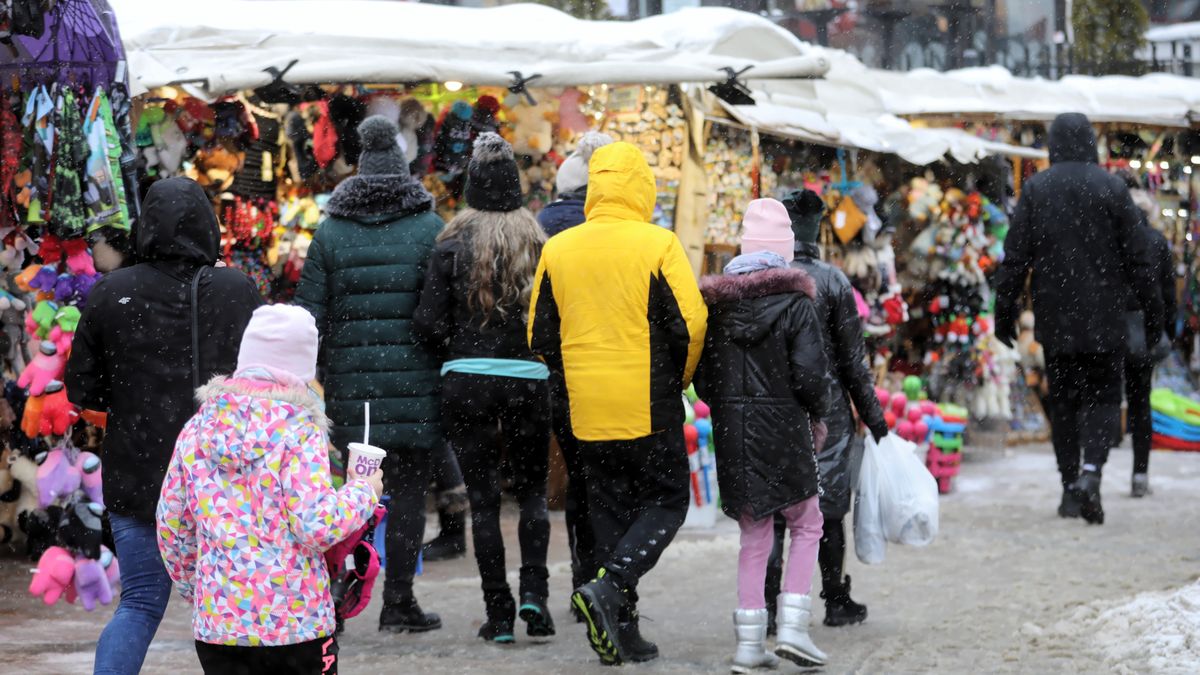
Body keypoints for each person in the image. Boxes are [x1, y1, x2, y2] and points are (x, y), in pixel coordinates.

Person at [66, 176, 261, 675]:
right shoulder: (238, 289)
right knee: (237, 611)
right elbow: (267, 379)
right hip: (226, 477)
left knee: (140, 603)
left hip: (141, 472)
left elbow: (82, 390)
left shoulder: (112, 292)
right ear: (208, 225)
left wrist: (134, 400)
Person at [529, 141, 708, 665]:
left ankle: (620, 632)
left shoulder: (558, 248)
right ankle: (614, 588)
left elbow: (538, 331)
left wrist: (572, 372)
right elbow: (691, 324)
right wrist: (680, 376)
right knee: (667, 500)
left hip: (586, 405)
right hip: (647, 398)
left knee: (606, 509)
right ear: (641, 188)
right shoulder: (658, 244)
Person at [157, 305, 383, 675]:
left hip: (220, 627)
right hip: (296, 622)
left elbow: (172, 528)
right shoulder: (299, 430)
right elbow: (317, 525)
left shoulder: (197, 428)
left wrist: (202, 591)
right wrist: (364, 491)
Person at [295, 115, 444, 632]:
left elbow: (307, 318)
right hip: (417, 386)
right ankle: (399, 602)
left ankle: (337, 597)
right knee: (407, 498)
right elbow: (443, 310)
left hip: (352, 393)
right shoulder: (430, 228)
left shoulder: (331, 232)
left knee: (353, 495)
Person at [414, 133, 554, 643]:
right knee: (534, 492)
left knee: (485, 500)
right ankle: (536, 593)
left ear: (472, 188)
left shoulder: (451, 243)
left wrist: (459, 340)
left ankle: (498, 614)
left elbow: (428, 323)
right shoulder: (538, 241)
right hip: (528, 379)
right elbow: (553, 319)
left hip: (467, 378)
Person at [994, 112, 1162, 526]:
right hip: (1106, 316)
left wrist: (1005, 312)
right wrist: (1153, 314)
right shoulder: (1112, 188)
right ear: (1091, 143)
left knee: (1065, 402)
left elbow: (1014, 258)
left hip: (1056, 314)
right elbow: (1141, 259)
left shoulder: (1037, 189)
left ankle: (1070, 488)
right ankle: (1091, 473)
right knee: (1104, 398)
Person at [695, 199, 831, 672]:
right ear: (786, 249)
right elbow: (811, 377)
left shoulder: (717, 307)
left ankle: (749, 643)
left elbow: (704, 381)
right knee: (806, 520)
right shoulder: (796, 304)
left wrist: (734, 409)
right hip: (786, 430)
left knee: (754, 534)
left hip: (735, 435)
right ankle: (793, 626)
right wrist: (819, 414)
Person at [757, 189, 889, 630]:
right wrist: (876, 419)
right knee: (828, 510)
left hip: (774, 410)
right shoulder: (833, 282)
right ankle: (834, 598)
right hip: (827, 414)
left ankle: (770, 609)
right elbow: (854, 363)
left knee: (775, 511)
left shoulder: (762, 279)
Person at [535, 131, 614, 609]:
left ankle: (580, 577)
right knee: (607, 479)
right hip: (609, 366)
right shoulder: (613, 228)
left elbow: (538, 317)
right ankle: (607, 578)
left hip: (561, 373)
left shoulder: (541, 227)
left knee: (576, 481)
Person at [1123, 203, 1176, 498]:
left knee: (1102, 400)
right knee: (1140, 402)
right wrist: (1164, 329)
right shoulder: (1155, 240)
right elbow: (1167, 290)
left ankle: (1092, 471)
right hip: (1144, 330)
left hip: (1112, 329)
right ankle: (1139, 473)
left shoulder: (1112, 237)